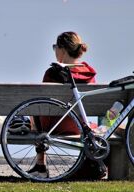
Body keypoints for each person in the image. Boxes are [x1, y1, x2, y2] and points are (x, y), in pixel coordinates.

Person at [29, 31, 102, 179]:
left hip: (53, 127)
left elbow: (42, 104)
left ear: (62, 49)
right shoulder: (90, 75)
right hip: (80, 127)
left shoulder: (52, 73)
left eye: (55, 47)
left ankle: (40, 165)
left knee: (34, 111)